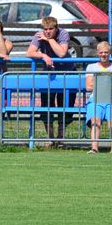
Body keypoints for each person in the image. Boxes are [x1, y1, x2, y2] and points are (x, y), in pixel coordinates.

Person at [25, 16, 76, 144]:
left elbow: (61, 53)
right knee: (47, 107)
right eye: (45, 29)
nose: (47, 31)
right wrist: (43, 55)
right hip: (49, 75)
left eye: (51, 29)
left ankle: (60, 137)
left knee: (65, 107)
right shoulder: (39, 35)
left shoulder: (63, 33)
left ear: (56, 28)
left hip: (67, 73)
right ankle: (51, 138)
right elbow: (29, 52)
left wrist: (50, 40)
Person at [84, 41, 112, 154]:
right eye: (101, 52)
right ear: (97, 53)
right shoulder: (91, 67)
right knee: (95, 121)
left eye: (106, 52)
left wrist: (97, 80)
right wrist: (109, 80)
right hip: (95, 98)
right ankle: (94, 148)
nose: (103, 55)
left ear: (110, 53)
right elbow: (88, 86)